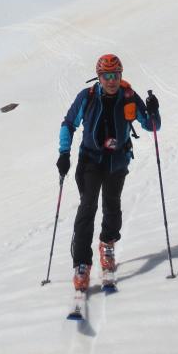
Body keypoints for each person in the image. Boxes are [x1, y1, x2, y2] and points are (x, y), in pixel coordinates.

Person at [57, 53, 160, 291]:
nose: (112, 80)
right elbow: (69, 124)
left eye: (115, 75)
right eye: (106, 76)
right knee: (88, 207)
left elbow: (151, 126)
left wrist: (154, 111)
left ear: (121, 75)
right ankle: (82, 263)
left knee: (112, 207)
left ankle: (107, 244)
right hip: (90, 161)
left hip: (117, 161)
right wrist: (64, 154)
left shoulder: (129, 97)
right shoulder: (88, 96)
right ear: (99, 77)